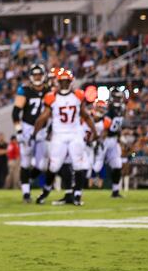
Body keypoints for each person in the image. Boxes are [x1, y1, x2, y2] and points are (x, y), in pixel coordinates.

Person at [33, 69, 97, 206]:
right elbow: (86, 115)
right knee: (56, 166)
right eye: (62, 81)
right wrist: (94, 131)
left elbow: (43, 118)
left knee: (76, 164)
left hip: (73, 133)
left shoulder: (68, 96)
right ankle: (47, 192)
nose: (63, 84)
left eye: (65, 81)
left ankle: (77, 195)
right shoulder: (66, 96)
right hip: (62, 135)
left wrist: (35, 132)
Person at [13, 64, 50, 203]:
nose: (37, 77)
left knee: (42, 165)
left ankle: (27, 179)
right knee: (26, 161)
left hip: (42, 130)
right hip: (28, 128)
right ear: (31, 76)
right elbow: (15, 112)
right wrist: (19, 131)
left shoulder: (49, 91)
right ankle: (26, 193)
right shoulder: (25, 90)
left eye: (39, 75)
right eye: (35, 75)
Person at [93, 87, 127, 198]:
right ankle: (81, 187)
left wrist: (119, 137)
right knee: (96, 166)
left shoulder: (121, 109)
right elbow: (104, 125)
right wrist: (100, 139)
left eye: (119, 98)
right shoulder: (108, 109)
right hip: (105, 139)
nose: (117, 100)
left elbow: (118, 126)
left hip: (113, 139)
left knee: (117, 164)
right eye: (116, 98)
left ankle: (115, 191)